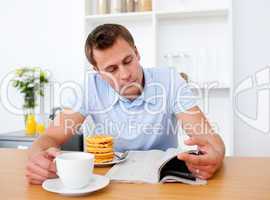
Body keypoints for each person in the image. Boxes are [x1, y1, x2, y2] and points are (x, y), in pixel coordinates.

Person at [25, 24, 225, 185]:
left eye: (128, 60)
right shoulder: (88, 88)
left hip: (161, 181)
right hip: (105, 181)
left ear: (137, 53)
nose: (125, 74)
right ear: (97, 72)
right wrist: (38, 160)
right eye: (111, 69)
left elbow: (209, 138)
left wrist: (215, 156)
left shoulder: (171, 81)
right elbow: (49, 137)